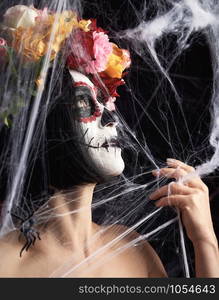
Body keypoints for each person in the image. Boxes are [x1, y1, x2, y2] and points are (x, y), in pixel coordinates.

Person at [0, 4, 218, 278]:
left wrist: (205, 240)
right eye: (83, 103)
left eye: (105, 101)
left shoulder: (133, 249)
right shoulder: (7, 264)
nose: (111, 119)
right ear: (45, 124)